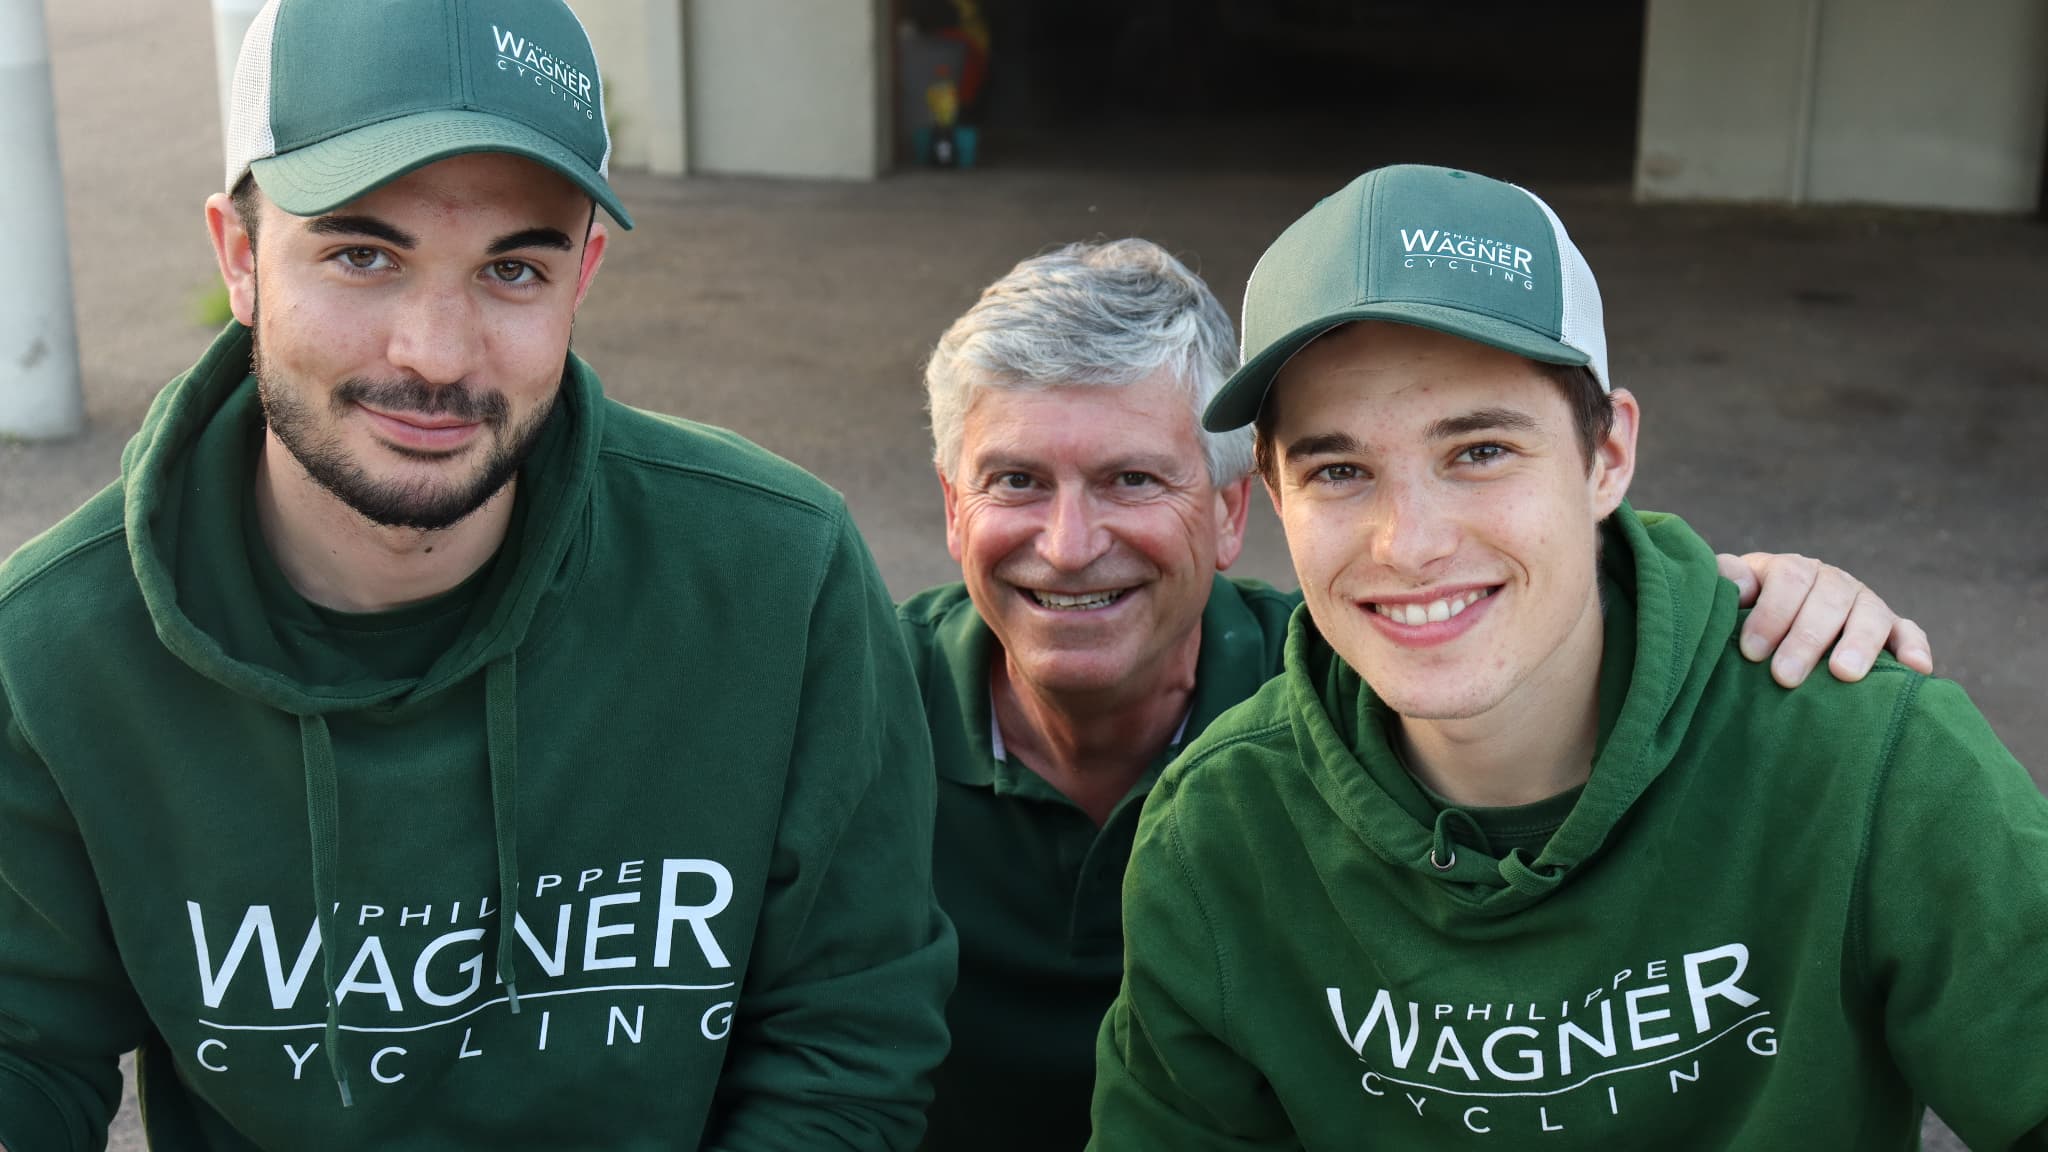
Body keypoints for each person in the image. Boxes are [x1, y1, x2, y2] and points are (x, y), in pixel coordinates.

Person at [0, 2, 951, 1149]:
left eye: (511, 269)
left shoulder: (777, 580)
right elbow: (23, 1056)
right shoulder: (54, 649)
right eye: (362, 255)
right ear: (241, 258)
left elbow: (848, 1047)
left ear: (584, 273)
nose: (437, 354)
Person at [1088, 165, 2048, 1148]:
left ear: (1606, 457)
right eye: (1339, 470)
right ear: (1275, 496)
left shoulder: (1867, 760)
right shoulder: (1219, 837)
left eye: (1478, 452)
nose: (1408, 543)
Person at [903, 239, 1935, 1150]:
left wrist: (1735, 616)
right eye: (1014, 482)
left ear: (1230, 513)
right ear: (952, 509)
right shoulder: (851, 699)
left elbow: (1536, 630)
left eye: (1132, 480)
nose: (1069, 545)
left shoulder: (1375, 690)